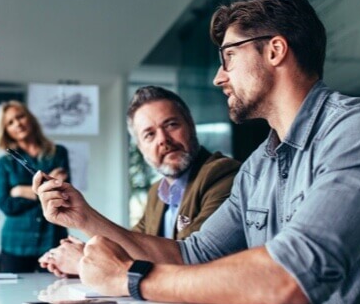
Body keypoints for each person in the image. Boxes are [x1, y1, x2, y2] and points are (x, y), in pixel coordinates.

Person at [33, 0, 360, 304]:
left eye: (228, 56)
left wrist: (130, 279)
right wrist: (83, 218)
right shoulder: (259, 165)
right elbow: (190, 255)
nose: (218, 76)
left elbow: (290, 278)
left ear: (276, 50)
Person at [38, 86, 240, 276]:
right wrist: (86, 251)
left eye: (171, 125)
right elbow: (131, 246)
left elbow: (190, 260)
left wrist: (84, 260)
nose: (163, 139)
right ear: (141, 148)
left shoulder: (222, 175)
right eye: (149, 134)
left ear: (191, 126)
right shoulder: (157, 192)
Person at [0, 100, 70, 273]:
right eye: (10, 123)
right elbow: (6, 205)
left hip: (52, 239)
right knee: (12, 296)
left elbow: (62, 196)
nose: (18, 124)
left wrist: (20, 191)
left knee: (55, 292)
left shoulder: (58, 153)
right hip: (16, 243)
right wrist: (43, 191)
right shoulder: (5, 162)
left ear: (30, 118)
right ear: (6, 131)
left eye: (20, 117)